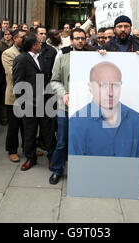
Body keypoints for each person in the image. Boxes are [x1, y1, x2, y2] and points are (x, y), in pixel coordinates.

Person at [69, 61, 139, 158]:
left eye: (116, 85)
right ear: (90, 87)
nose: (111, 93)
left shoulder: (136, 120)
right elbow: (77, 167)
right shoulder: (77, 123)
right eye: (103, 85)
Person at [49, 28, 88, 185]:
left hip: (85, 108)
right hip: (64, 107)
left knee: (82, 140)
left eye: (82, 38)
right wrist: (64, 93)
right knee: (62, 141)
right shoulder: (62, 58)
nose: (80, 41)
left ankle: (81, 171)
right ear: (71, 41)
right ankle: (57, 170)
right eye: (77, 38)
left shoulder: (92, 57)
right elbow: (54, 80)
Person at [13, 33, 56, 171]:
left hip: (45, 102)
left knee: (48, 132)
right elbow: (18, 84)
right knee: (30, 133)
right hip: (30, 104)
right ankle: (31, 158)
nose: (41, 43)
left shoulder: (42, 58)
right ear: (33, 45)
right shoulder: (21, 59)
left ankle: (52, 158)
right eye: (38, 42)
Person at [2, 29, 27, 163]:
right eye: (23, 37)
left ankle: (27, 147)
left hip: (28, 94)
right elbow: (12, 73)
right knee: (14, 125)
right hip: (14, 95)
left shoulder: (29, 52)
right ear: (15, 38)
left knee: (27, 124)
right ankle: (12, 150)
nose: (25, 39)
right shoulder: (8, 53)